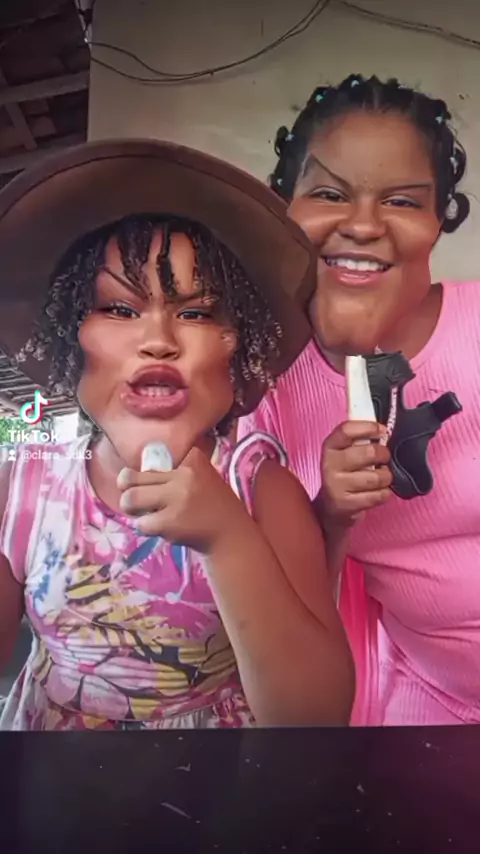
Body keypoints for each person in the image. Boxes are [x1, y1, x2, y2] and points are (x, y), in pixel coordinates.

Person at [0, 139, 354, 730]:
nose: (159, 340)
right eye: (119, 309)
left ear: (237, 344)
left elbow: (315, 718)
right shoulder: (23, 488)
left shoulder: (261, 491)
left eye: (195, 313)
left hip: (213, 780)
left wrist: (228, 538)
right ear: (70, 335)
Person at [239, 74, 480, 726]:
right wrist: (332, 513)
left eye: (401, 201)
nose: (365, 224)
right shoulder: (265, 384)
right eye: (328, 193)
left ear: (437, 223)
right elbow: (292, 610)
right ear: (284, 207)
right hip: (431, 702)